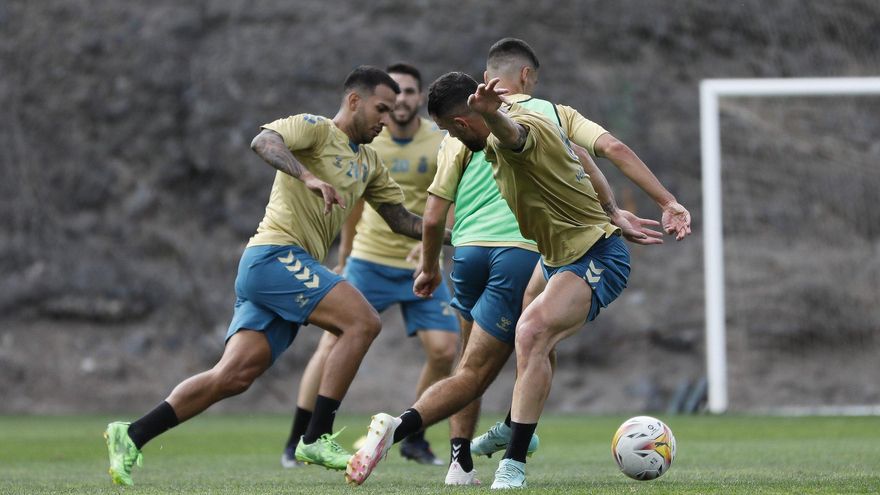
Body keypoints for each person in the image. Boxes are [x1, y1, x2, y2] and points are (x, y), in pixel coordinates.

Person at [344, 71, 691, 488]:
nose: (448, 137)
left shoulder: (511, 130)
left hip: (596, 255)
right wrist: (613, 208)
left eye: (446, 129)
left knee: (530, 334)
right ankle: (466, 428)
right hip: (551, 260)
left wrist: (638, 210)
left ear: (461, 122)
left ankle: (513, 463)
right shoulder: (533, 115)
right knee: (502, 356)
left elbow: (516, 136)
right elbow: (583, 156)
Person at [103, 66, 446, 486]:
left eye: (391, 111)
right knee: (362, 322)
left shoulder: (370, 163)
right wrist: (307, 175)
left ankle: (132, 434)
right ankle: (315, 436)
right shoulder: (315, 129)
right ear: (354, 101)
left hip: (280, 273)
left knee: (232, 376)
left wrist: (456, 235)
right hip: (274, 256)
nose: (386, 119)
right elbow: (263, 140)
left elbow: (401, 219)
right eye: (380, 108)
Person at [280, 63, 459, 469]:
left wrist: (434, 247)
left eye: (411, 92)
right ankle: (297, 440)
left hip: (419, 263)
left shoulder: (439, 142)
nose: (402, 102)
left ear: (417, 98)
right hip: (369, 259)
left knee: (445, 350)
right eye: (392, 98)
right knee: (331, 343)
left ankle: (413, 437)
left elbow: (452, 197)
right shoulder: (366, 140)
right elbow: (355, 202)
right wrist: (343, 259)